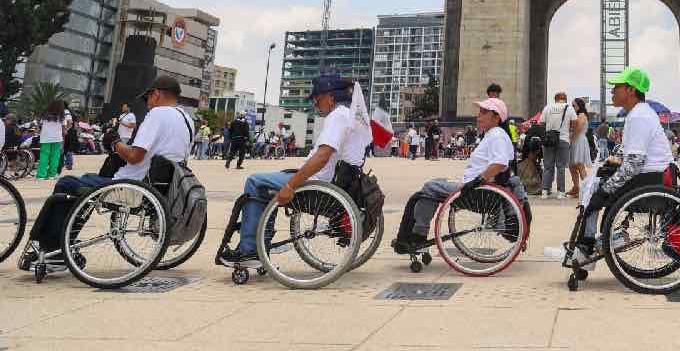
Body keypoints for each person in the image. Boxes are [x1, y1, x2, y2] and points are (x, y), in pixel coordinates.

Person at [30, 76, 193, 258]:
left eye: (147, 99)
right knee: (88, 181)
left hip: (133, 187)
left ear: (156, 94)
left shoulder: (157, 114)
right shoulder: (187, 119)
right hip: (162, 188)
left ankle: (53, 250)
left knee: (67, 184)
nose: (147, 104)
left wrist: (115, 142)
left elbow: (135, 156)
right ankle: (64, 242)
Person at [220, 74, 372, 264]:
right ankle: (259, 243)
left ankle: (250, 249)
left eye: (317, 99)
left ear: (331, 97)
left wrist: (290, 185)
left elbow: (322, 156)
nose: (315, 104)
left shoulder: (337, 116)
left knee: (255, 182)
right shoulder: (349, 116)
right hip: (332, 182)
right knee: (272, 181)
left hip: (317, 185)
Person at [393, 97, 526, 251]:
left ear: (496, 117)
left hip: (477, 193)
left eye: (484, 112)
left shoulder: (497, 135)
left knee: (429, 187)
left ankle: (416, 237)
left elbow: (500, 163)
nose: (479, 115)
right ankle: (416, 236)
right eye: (480, 112)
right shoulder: (493, 134)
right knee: (429, 191)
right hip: (478, 190)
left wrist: (477, 180)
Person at [570, 68, 671, 263]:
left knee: (594, 190)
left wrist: (605, 191)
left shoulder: (639, 116)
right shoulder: (638, 113)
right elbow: (628, 153)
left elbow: (634, 163)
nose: (612, 91)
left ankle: (586, 246)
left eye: (617, 87)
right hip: (650, 176)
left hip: (649, 179)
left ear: (631, 90)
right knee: (592, 184)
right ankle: (587, 243)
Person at [539, 91, 576, 199]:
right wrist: (569, 130)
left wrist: (549, 128)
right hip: (563, 139)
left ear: (555, 99)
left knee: (547, 166)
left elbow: (541, 123)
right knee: (560, 167)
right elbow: (575, 122)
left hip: (549, 140)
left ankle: (545, 191)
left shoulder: (548, 107)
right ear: (565, 99)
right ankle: (560, 192)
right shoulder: (569, 108)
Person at [35, 100, 65, 180]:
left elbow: (39, 125)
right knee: (55, 157)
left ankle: (41, 175)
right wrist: (63, 142)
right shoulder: (61, 117)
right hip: (57, 138)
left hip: (45, 138)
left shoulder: (44, 115)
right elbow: (63, 131)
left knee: (44, 156)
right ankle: (52, 174)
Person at [568, 97, 592, 197]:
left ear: (579, 106)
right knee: (572, 166)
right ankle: (576, 188)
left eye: (574, 105)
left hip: (578, 140)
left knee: (579, 165)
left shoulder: (581, 115)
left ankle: (586, 189)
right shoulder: (577, 115)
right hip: (575, 140)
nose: (572, 107)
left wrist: (571, 138)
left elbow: (578, 128)